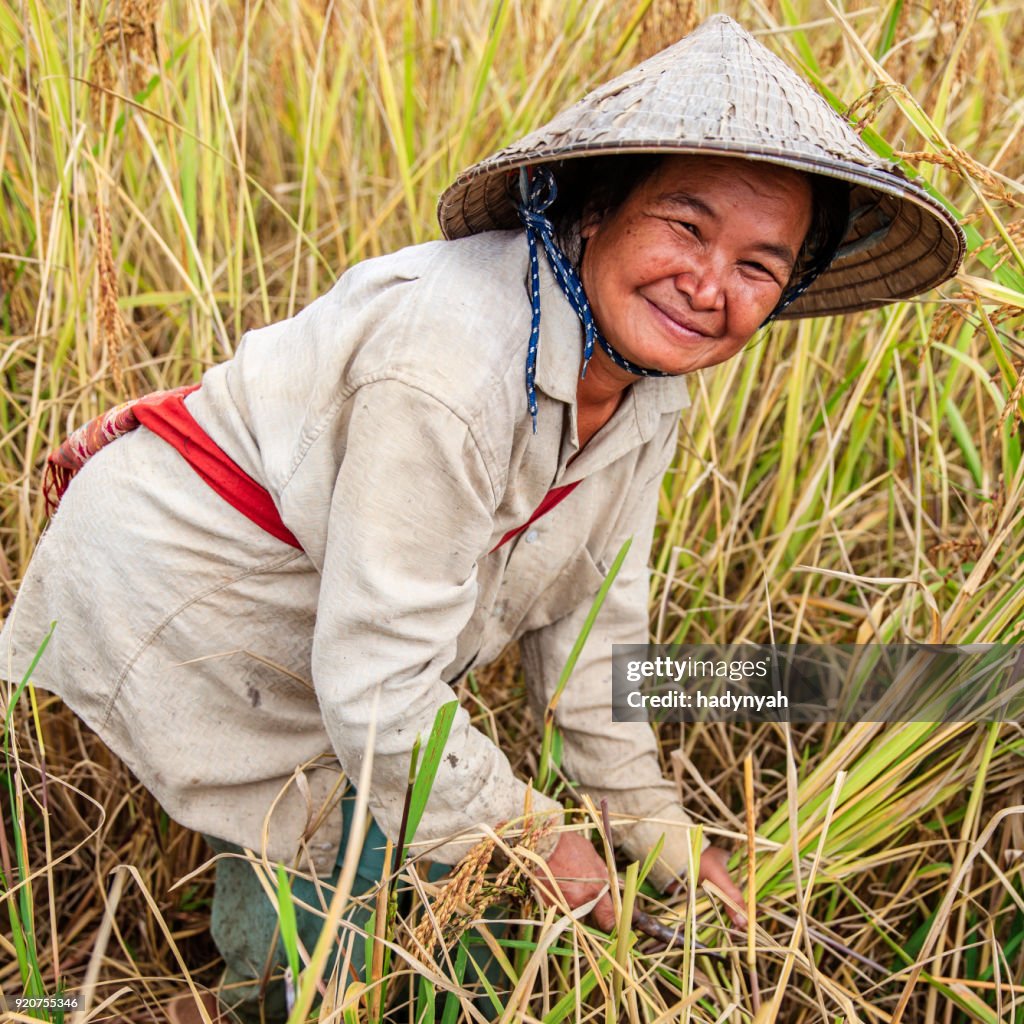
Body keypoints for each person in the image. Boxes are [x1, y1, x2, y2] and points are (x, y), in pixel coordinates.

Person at [1, 14, 963, 1024]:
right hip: (205, 590)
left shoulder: (645, 389)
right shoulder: (451, 364)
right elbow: (374, 682)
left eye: (759, 265)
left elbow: (596, 627)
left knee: (439, 890)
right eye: (684, 226)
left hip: (334, 624)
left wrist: (655, 833)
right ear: (592, 210)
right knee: (341, 918)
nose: (710, 285)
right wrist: (536, 837)